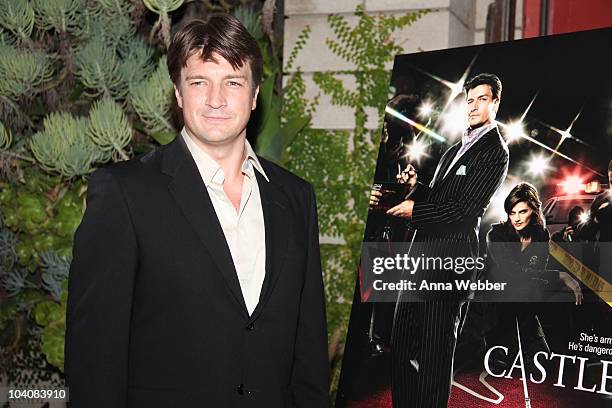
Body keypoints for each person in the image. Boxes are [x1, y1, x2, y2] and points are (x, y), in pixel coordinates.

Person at [65, 15, 329, 408]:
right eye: (199, 82)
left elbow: (309, 348)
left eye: (233, 82)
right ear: (177, 93)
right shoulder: (124, 194)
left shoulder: (295, 198)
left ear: (255, 96)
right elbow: (94, 357)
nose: (216, 99)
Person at [371, 73, 509, 407]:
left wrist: (414, 211)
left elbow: (465, 208)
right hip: (422, 257)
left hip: (450, 262)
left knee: (435, 353)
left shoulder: (496, 151)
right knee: (401, 341)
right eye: (470, 99)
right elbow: (440, 197)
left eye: (482, 99)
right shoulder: (455, 147)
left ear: (495, 103)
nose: (474, 106)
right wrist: (416, 186)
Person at [485, 183, 582, 370]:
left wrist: (553, 278)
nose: (516, 218)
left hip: (524, 303)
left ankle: (533, 344)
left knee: (542, 361)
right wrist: (560, 275)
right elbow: (510, 274)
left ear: (534, 211)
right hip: (494, 305)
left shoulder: (541, 235)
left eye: (522, 212)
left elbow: (535, 278)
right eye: (512, 213)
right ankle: (506, 345)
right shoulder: (496, 234)